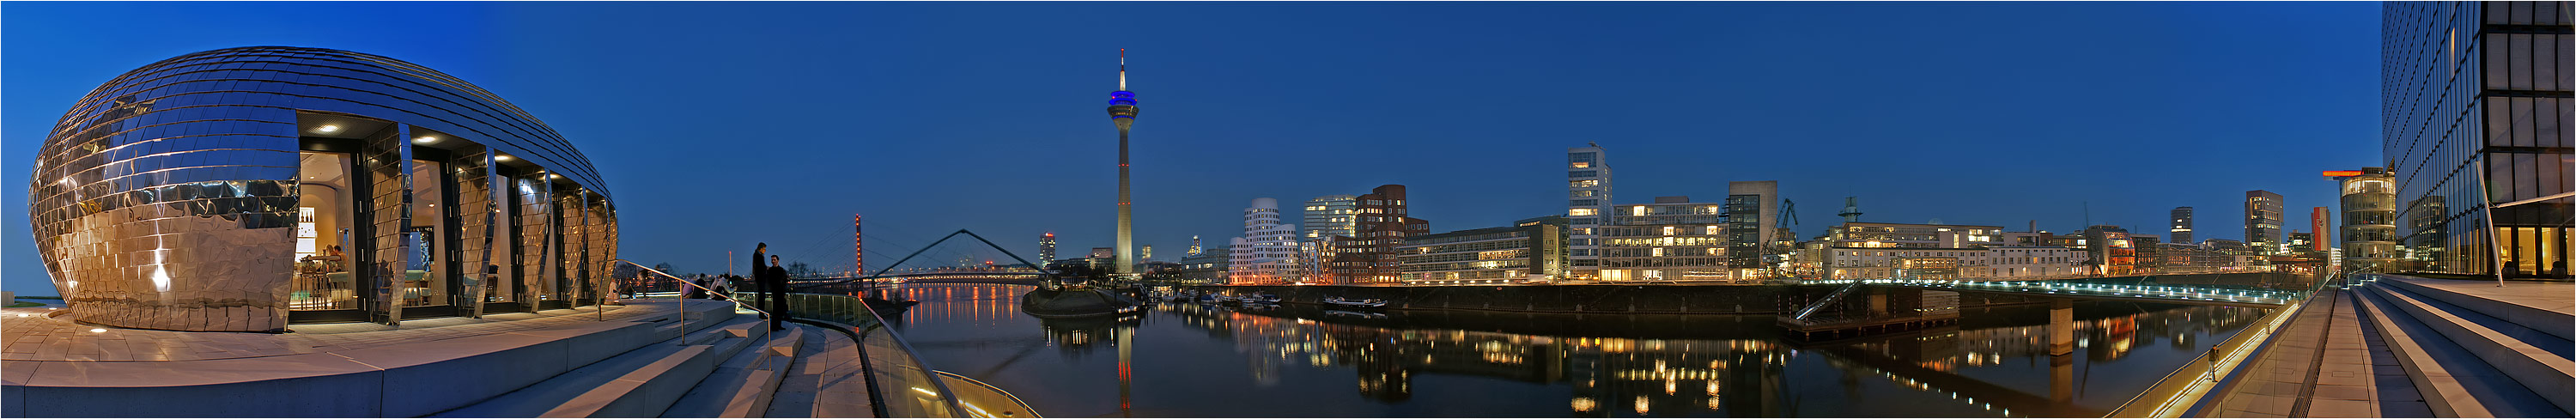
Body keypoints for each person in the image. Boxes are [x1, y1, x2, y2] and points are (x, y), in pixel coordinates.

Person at [765, 254, 789, 331]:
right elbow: (770, 281)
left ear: (777, 260)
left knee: (779, 309)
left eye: (774, 260)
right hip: (776, 292)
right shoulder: (771, 271)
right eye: (772, 260)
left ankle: (778, 325)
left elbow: (784, 280)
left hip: (780, 291)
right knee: (776, 309)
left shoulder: (780, 270)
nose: (773, 261)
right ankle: (775, 326)